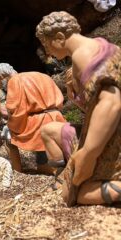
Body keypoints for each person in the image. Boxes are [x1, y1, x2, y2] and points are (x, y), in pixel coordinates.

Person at [36, 11, 121, 206]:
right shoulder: (102, 45)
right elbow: (97, 102)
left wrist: (88, 153)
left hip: (113, 137)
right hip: (109, 130)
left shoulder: (83, 55)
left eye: (47, 44)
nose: (48, 52)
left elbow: (111, 102)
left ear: (59, 37)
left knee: (76, 194)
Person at [0, 63, 66, 174]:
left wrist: (10, 125)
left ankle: (16, 170)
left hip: (37, 121)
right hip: (56, 115)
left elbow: (16, 110)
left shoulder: (14, 81)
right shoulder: (42, 75)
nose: (0, 87)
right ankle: (49, 167)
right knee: (46, 154)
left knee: (9, 138)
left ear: (2, 76)